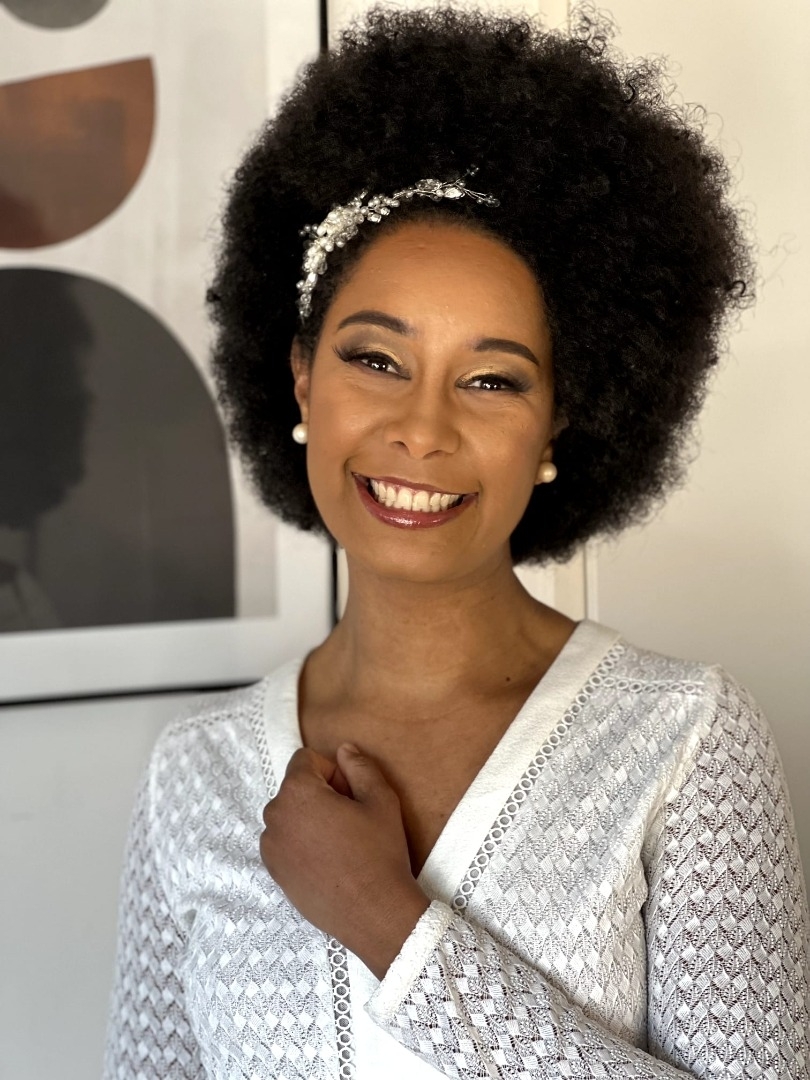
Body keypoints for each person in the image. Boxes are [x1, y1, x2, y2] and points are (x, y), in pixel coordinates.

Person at [103, 6, 809, 1078]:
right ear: (301, 378)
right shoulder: (192, 776)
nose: (423, 429)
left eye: (491, 379)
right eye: (375, 360)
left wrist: (389, 923)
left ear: (558, 425)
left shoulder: (684, 740)